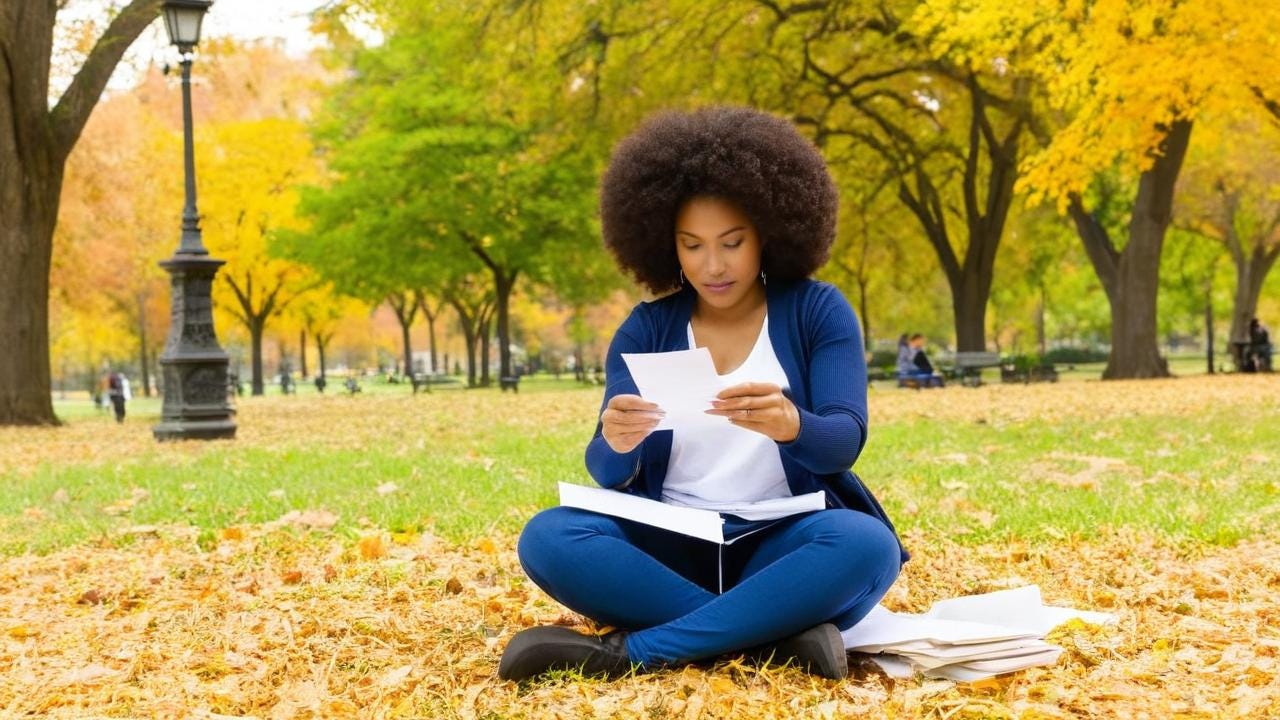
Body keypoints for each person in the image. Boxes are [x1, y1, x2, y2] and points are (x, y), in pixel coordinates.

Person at [499, 106, 907, 683]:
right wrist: (617, 440)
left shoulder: (816, 310)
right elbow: (607, 471)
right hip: (670, 544)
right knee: (550, 535)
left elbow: (843, 444)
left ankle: (630, 655)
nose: (712, 266)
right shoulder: (646, 328)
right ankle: (775, 641)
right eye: (692, 246)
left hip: (781, 544)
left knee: (866, 544)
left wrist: (793, 424)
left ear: (769, 231)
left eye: (732, 243)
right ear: (667, 246)